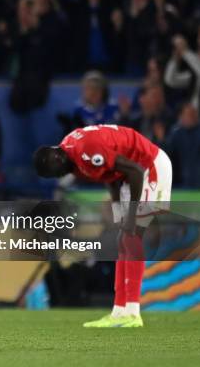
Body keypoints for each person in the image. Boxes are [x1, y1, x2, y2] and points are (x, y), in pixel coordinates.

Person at [33, 124, 172, 328]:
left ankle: (132, 312)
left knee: (131, 237)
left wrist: (131, 216)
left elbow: (135, 170)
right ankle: (119, 312)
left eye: (57, 172)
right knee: (122, 240)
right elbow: (110, 175)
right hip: (129, 176)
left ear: (57, 158)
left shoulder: (85, 151)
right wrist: (118, 213)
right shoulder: (71, 156)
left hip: (149, 166)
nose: (60, 176)